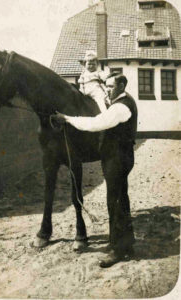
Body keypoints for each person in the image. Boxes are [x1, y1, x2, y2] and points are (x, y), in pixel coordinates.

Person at [53, 73, 138, 268]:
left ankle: (117, 250)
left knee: (114, 202)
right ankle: (126, 244)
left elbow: (95, 124)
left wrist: (66, 118)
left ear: (122, 85)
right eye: (106, 86)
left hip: (117, 158)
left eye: (111, 86)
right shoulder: (120, 102)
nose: (107, 89)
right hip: (118, 157)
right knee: (121, 199)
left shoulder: (120, 107)